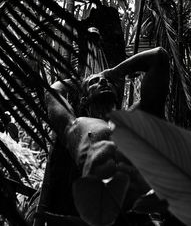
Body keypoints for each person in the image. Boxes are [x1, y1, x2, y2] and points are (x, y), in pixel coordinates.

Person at [44, 46, 170, 219]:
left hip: (142, 213)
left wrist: (113, 72)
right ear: (84, 98)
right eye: (94, 83)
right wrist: (79, 80)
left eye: (107, 82)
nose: (103, 82)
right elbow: (53, 92)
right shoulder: (76, 126)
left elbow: (159, 57)